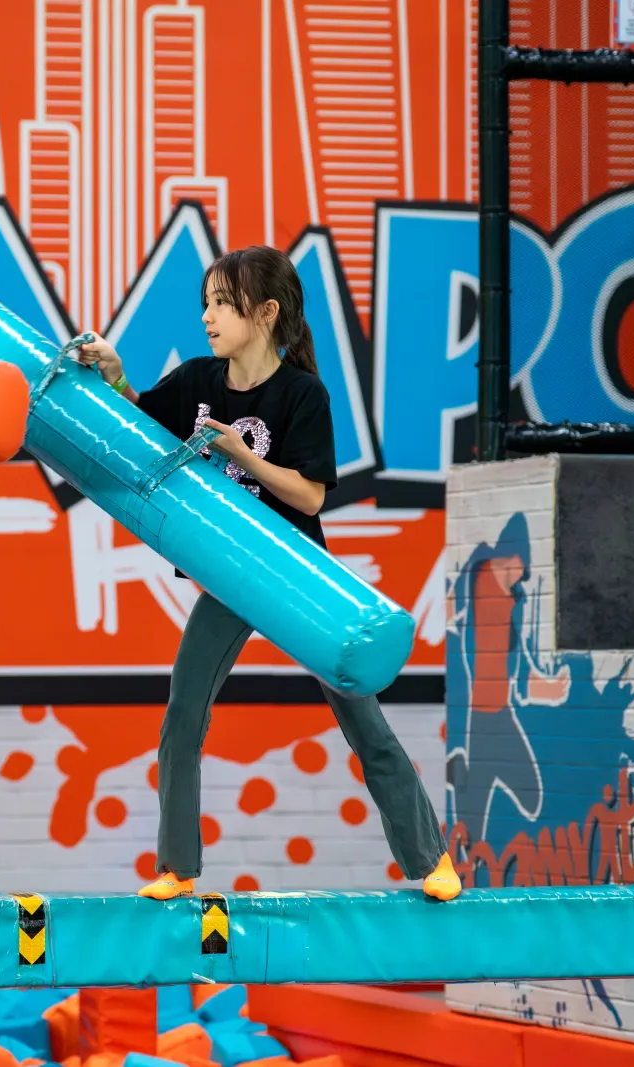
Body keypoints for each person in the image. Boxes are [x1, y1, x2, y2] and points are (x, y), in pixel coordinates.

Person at [74, 245, 461, 903]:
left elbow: (310, 496)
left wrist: (238, 454)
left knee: (364, 719)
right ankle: (179, 866)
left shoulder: (302, 394)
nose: (208, 316)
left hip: (296, 575)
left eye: (224, 303)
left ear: (267, 312)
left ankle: (429, 860)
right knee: (183, 714)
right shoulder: (198, 381)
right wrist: (115, 377)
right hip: (229, 574)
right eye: (207, 303)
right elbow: (139, 421)